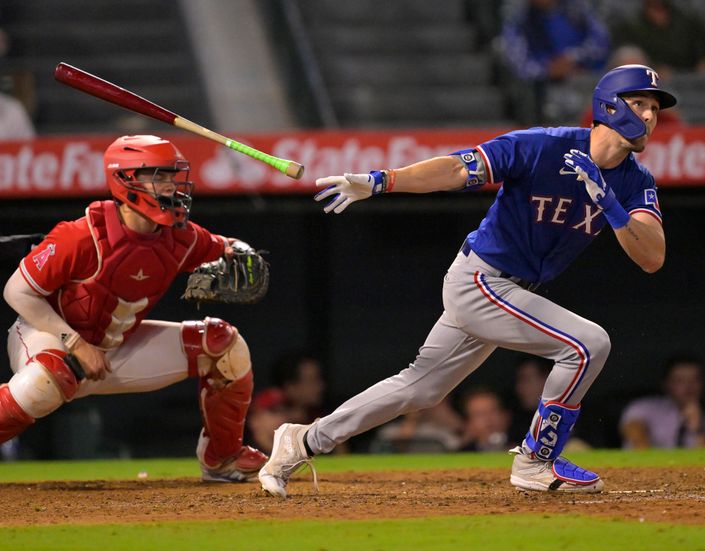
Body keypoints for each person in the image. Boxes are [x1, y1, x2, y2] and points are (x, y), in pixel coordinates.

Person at [259, 64, 675, 497]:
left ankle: (302, 440)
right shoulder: (542, 147)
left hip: (511, 292)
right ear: (609, 106)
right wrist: (384, 181)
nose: (649, 116)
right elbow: (458, 170)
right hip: (481, 280)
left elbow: (651, 256)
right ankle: (536, 461)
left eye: (654, 108)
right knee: (589, 344)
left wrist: (610, 205)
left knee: (418, 389)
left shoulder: (634, 182)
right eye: (639, 103)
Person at [0, 135, 267, 481]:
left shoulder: (180, 237)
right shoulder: (82, 235)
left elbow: (224, 247)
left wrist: (239, 252)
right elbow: (17, 291)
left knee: (223, 344)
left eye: (172, 175)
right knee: (46, 381)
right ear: (126, 181)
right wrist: (75, 343)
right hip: (48, 335)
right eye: (159, 176)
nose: (171, 185)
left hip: (112, 348)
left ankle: (223, 457)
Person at [619, 356, 705, 449]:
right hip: (646, 471)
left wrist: (697, 429)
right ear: (666, 384)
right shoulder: (644, 407)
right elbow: (634, 433)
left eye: (694, 380)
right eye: (679, 380)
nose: (688, 387)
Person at [612, 0, 705, 77]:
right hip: (649, 80)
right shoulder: (629, 25)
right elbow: (625, 59)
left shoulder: (688, 18)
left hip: (691, 78)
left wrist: (703, 67)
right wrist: (653, 69)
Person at [270, 351, 326, 424]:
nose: (321, 386)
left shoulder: (319, 418)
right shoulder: (270, 421)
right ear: (290, 387)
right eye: (312, 380)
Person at [459, 387, 512, 452]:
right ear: (469, 423)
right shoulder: (462, 456)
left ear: (505, 416)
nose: (488, 419)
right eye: (479, 414)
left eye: (493, 411)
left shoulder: (524, 450)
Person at [247, 388, 289, 454]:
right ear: (255, 420)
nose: (281, 417)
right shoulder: (245, 458)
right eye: (274, 411)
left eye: (283, 410)